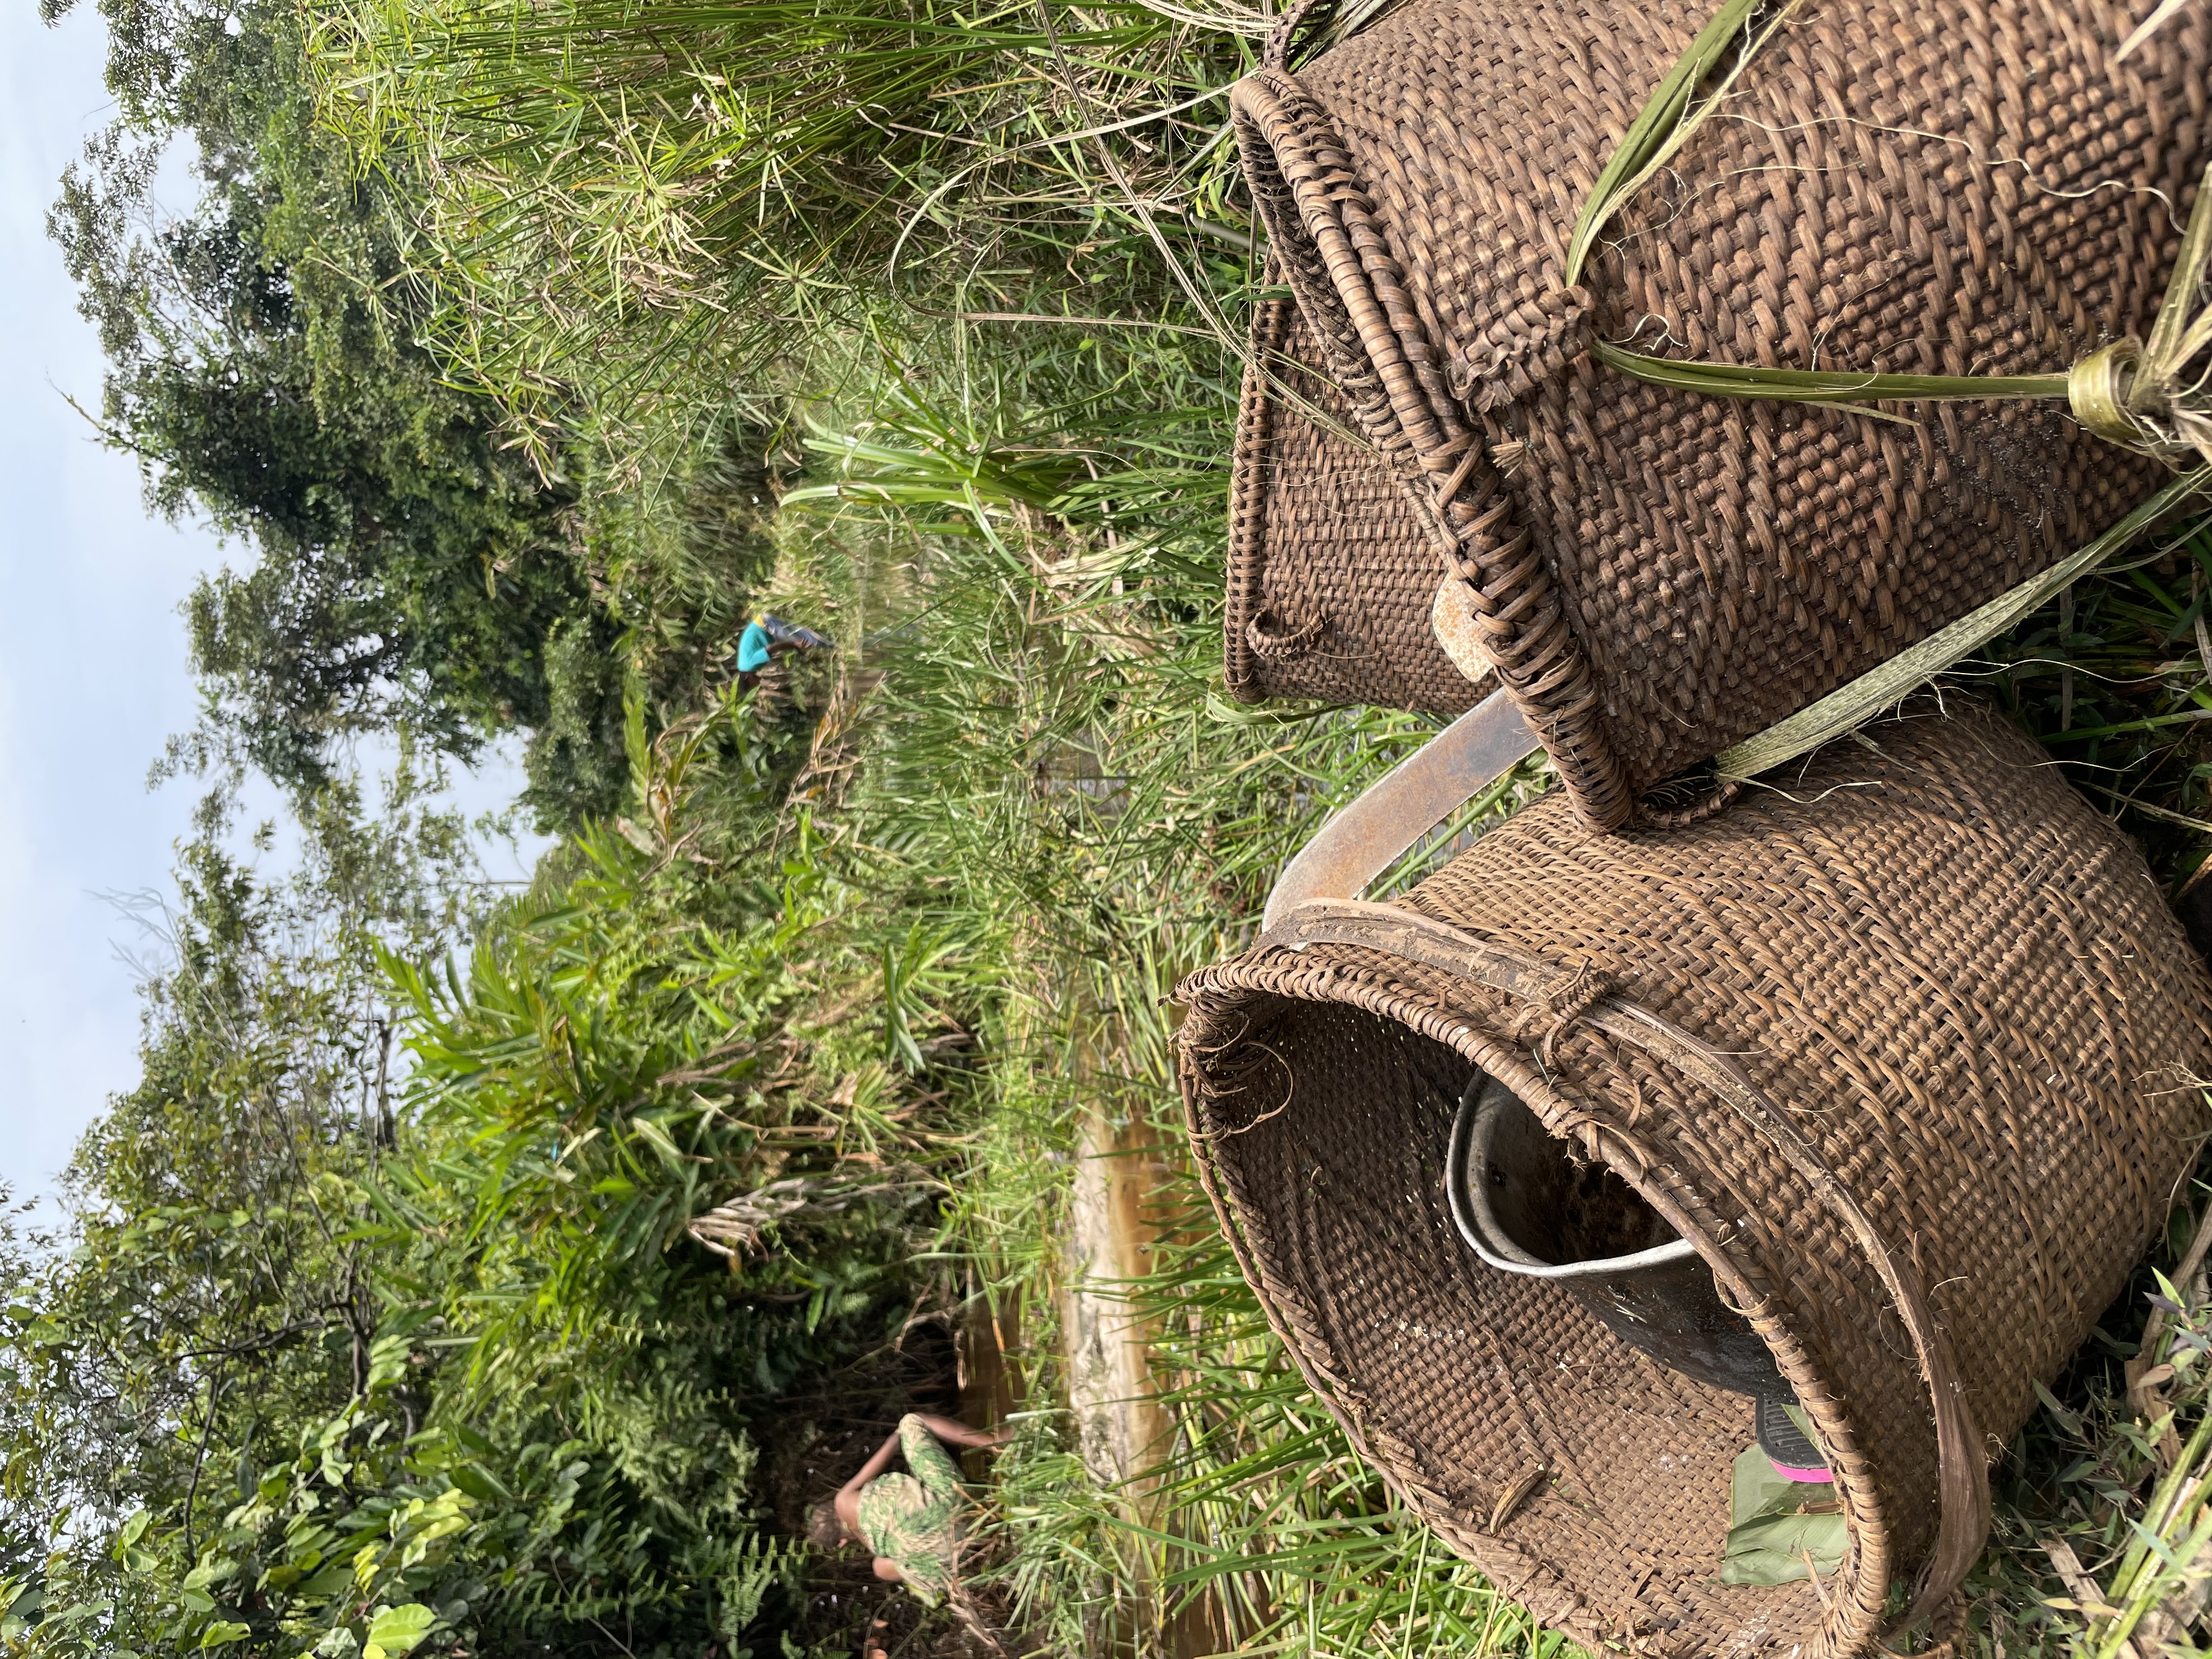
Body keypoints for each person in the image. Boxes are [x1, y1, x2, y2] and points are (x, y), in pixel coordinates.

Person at [806, 1412, 1012, 1642]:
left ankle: (989, 1537)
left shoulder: (878, 1550)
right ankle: (995, 1443)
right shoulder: (842, 1502)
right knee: (911, 1422)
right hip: (952, 1500)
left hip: (959, 1546)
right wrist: (896, 1438)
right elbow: (884, 1455)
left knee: (882, 1567)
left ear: (842, 1542)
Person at [734, 612, 833, 690]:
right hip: (766, 626)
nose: (757, 685)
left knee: (809, 640)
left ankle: (835, 643)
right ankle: (831, 635)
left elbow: (771, 648)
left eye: (753, 686)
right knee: (804, 637)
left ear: (747, 678)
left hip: (766, 624)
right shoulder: (744, 666)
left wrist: (795, 645)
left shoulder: (749, 665)